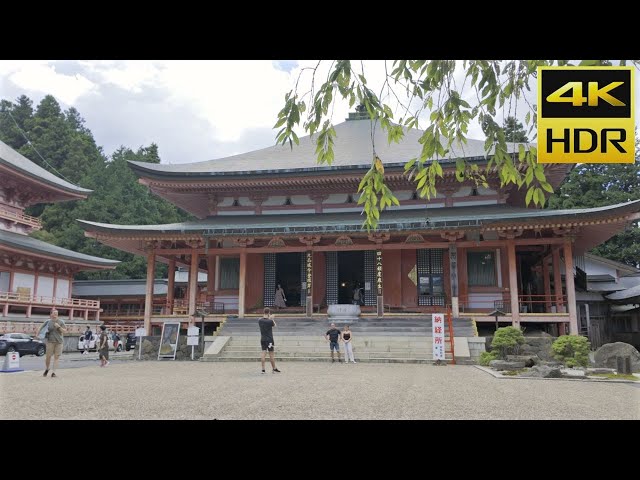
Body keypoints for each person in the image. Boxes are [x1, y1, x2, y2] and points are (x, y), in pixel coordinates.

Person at [42, 308, 66, 378]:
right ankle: (47, 368)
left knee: (56, 357)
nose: (55, 315)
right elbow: (42, 329)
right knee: (48, 357)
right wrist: (40, 334)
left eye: (57, 313)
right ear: (51, 314)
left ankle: (54, 372)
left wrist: (59, 327)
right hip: (50, 341)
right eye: (54, 313)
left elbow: (64, 331)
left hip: (59, 342)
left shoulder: (61, 321)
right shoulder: (48, 322)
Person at [258, 307, 281, 374]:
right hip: (269, 340)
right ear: (269, 313)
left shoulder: (259, 320)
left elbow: (264, 320)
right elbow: (275, 325)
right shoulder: (270, 321)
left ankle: (263, 370)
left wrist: (268, 318)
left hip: (262, 339)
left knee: (263, 354)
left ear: (263, 312)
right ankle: (274, 368)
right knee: (271, 355)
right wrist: (271, 318)